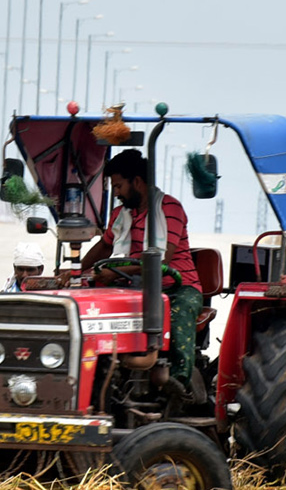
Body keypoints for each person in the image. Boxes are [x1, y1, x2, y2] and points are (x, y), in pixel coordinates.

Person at [80, 149, 202, 390]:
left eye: (118, 186)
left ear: (136, 182)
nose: (116, 193)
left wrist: (115, 272)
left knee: (179, 313)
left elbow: (161, 260)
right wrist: (76, 271)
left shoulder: (169, 209)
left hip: (176, 287)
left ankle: (179, 385)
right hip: (133, 287)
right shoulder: (121, 214)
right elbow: (104, 248)